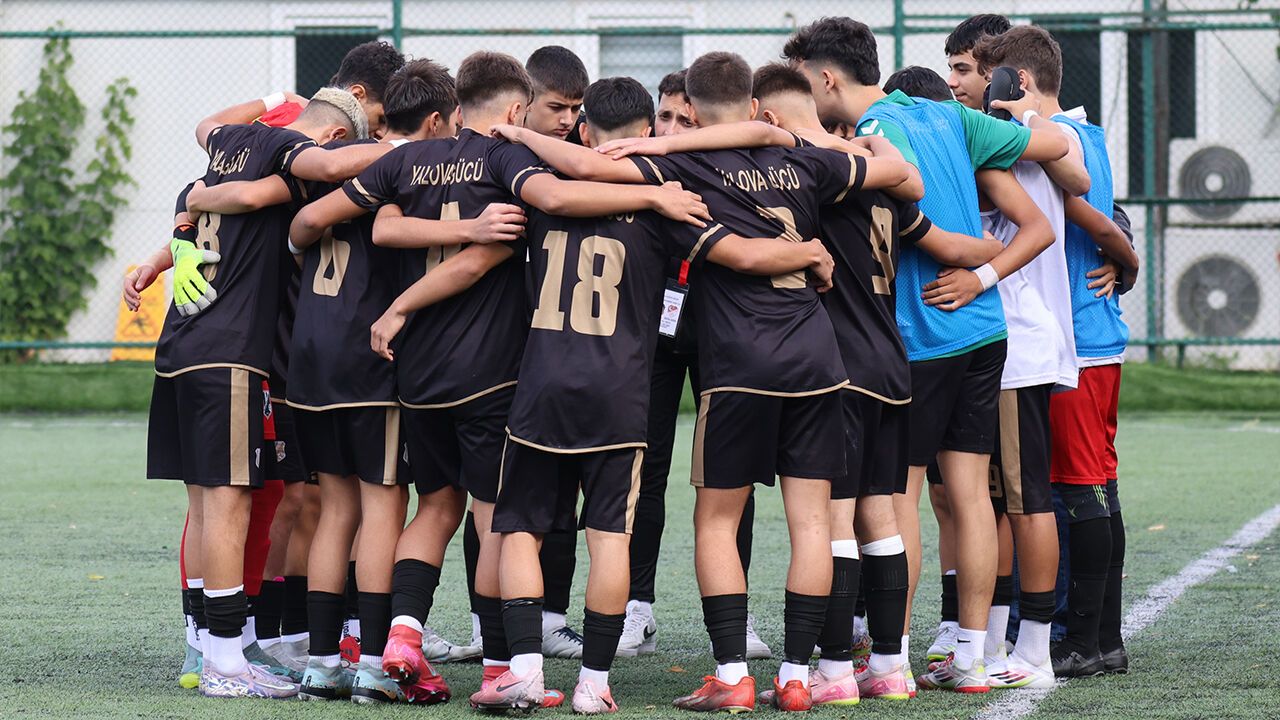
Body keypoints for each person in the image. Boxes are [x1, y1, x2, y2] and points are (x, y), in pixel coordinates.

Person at [289, 50, 709, 709]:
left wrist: (398, 304)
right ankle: (507, 670)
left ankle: (391, 644)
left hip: (416, 373)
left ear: (457, 106)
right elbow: (527, 219)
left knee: (433, 506)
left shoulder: (404, 159)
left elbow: (343, 224)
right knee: (502, 522)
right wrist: (656, 194)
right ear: (515, 110)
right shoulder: (505, 162)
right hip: (497, 376)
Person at [497, 49, 914, 712]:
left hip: (740, 363)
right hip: (817, 356)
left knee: (717, 520)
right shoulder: (805, 158)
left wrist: (521, 134)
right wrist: (829, 169)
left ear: (689, 110)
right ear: (754, 106)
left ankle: (732, 673)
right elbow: (902, 176)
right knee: (812, 522)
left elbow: (587, 169)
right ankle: (799, 677)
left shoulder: (684, 167)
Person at [782, 16, 1073, 692]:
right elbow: (1056, 143)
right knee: (971, 498)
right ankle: (972, 655)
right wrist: (984, 272)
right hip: (984, 331)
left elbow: (908, 214)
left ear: (826, 78)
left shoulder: (875, 132)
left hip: (923, 331)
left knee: (897, 500)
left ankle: (894, 656)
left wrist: (967, 262)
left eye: (803, 85)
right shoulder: (950, 116)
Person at [749, 62, 1010, 704]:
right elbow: (950, 244)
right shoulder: (888, 180)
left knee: (835, 518)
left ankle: (837, 669)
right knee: (882, 515)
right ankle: (890, 666)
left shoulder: (809, 179)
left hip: (838, 367)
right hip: (893, 363)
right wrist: (994, 260)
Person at [145, 90, 361, 699]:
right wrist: (412, 152)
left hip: (181, 345)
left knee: (209, 506)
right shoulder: (292, 156)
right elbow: (321, 167)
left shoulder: (225, 148)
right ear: (333, 136)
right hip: (229, 353)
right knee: (229, 505)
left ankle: (220, 648)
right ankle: (223, 660)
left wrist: (269, 97)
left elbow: (207, 125)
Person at [975, 25, 1141, 679]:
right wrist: (1125, 260)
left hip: (1079, 339)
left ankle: (1082, 637)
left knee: (1078, 488)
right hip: (1087, 335)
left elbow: (1090, 216)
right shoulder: (1083, 131)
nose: (968, 85)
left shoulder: (1056, 135)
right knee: (1093, 485)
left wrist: (1125, 259)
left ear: (1016, 81)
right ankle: (1101, 637)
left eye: (976, 73)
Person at [618, 68, 771, 662]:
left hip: (721, 336)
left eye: (687, 119)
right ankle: (636, 607)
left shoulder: (734, 172)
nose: (673, 128)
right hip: (652, 337)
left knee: (733, 478)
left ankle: (737, 611)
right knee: (643, 472)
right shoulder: (640, 172)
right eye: (665, 117)